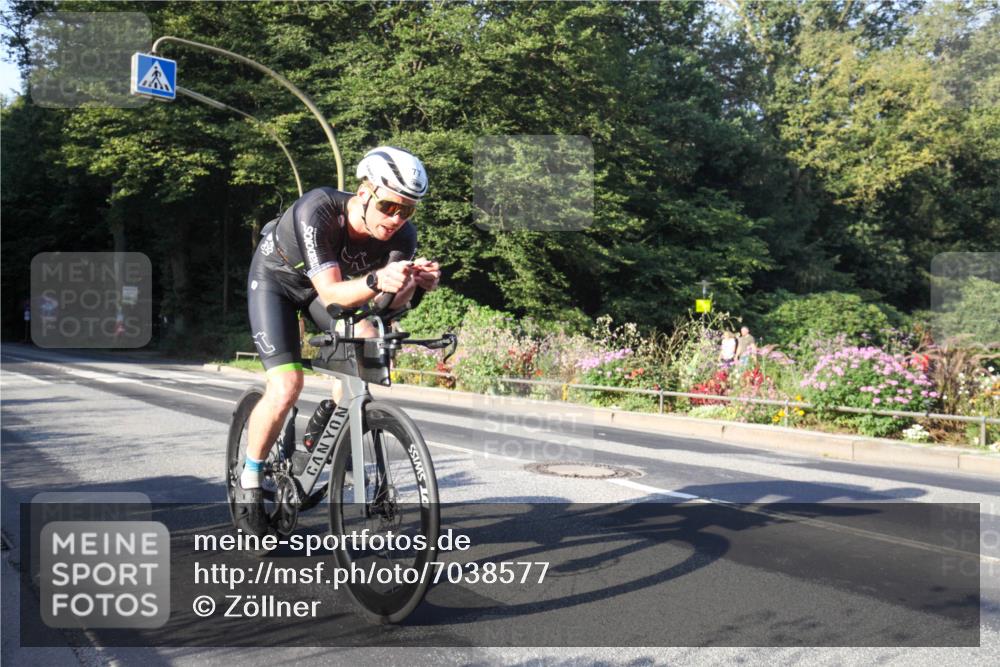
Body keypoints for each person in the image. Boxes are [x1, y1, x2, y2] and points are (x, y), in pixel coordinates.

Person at [237, 146, 441, 536]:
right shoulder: (319, 210)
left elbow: (382, 306)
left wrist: (411, 286)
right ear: (364, 193)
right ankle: (249, 479)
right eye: (388, 206)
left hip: (327, 289)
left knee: (366, 336)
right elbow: (332, 295)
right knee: (286, 387)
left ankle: (320, 430)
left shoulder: (403, 236)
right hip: (276, 282)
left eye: (407, 210)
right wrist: (376, 279)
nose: (395, 219)